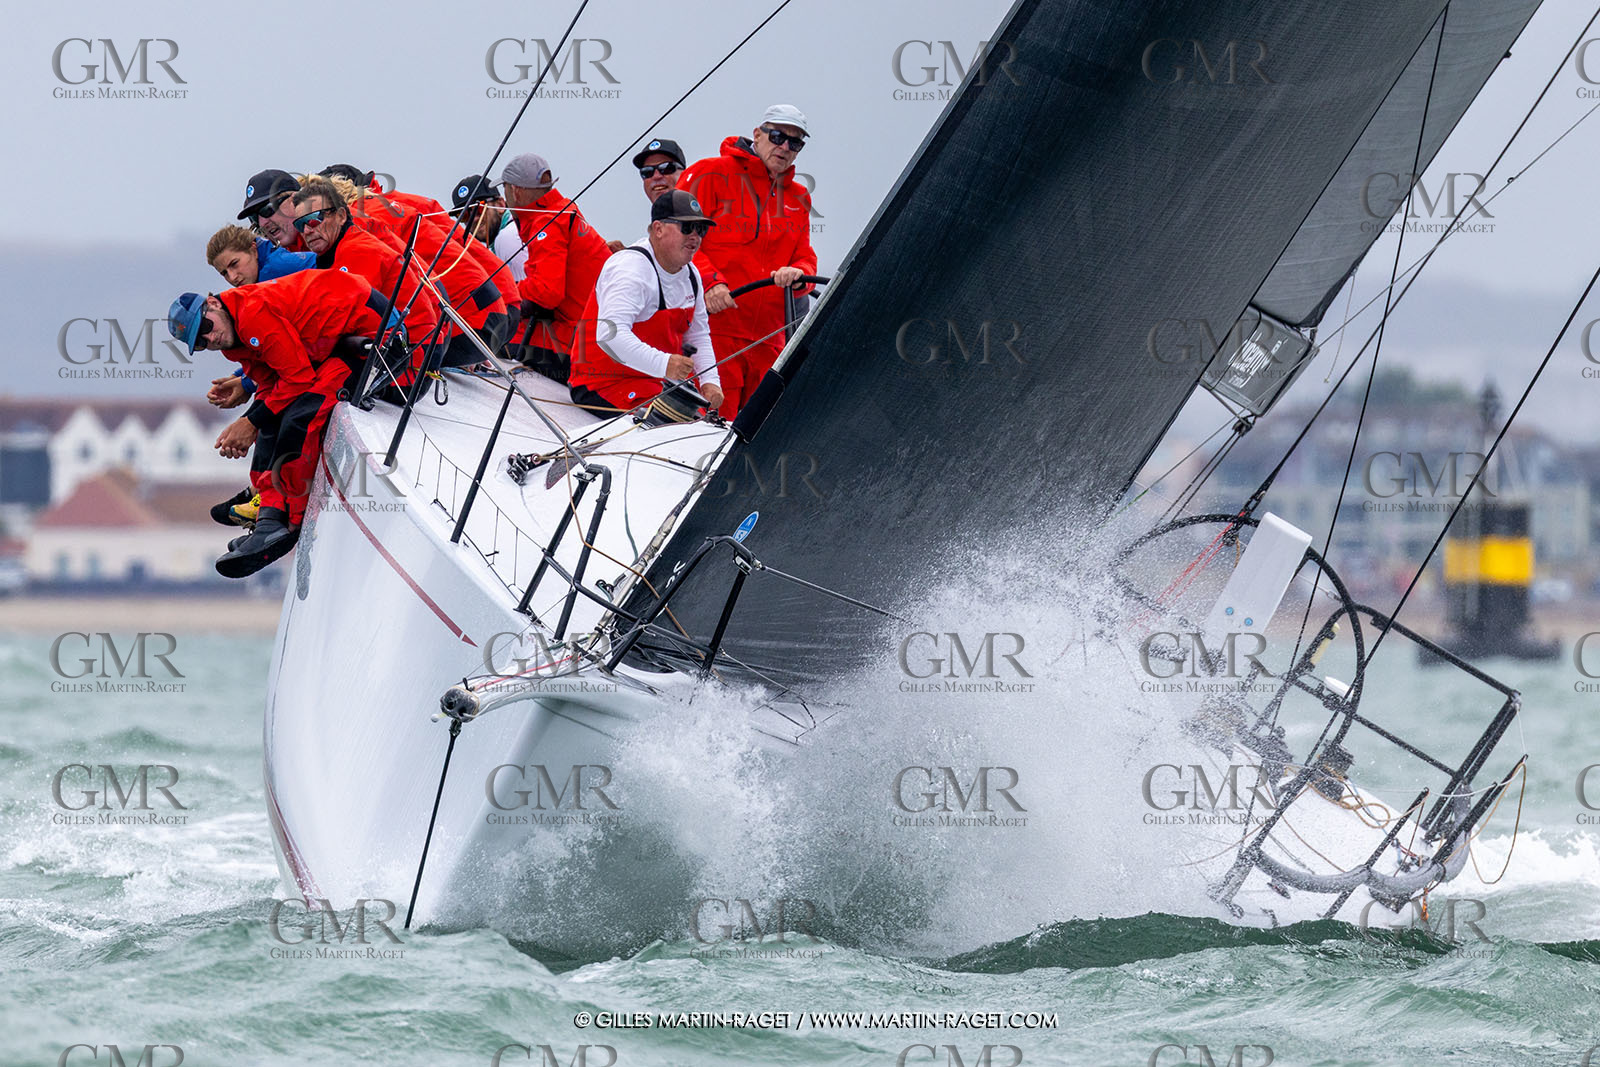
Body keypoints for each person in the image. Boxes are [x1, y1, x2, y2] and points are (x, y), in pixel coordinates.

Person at [166, 274, 373, 577]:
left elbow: (298, 379)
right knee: (271, 422)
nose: (209, 339)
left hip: (370, 338)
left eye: (206, 328)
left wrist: (249, 422)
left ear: (212, 303)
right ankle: (269, 516)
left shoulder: (251, 313)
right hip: (334, 348)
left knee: (299, 420)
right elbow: (269, 386)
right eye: (200, 342)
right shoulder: (232, 339)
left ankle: (290, 523)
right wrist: (252, 422)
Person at [678, 104, 818, 418]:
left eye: (794, 143)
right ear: (758, 135)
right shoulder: (710, 172)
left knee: (754, 437)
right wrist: (711, 282)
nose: (784, 147)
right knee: (702, 431)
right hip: (713, 333)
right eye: (778, 136)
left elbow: (805, 258)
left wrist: (800, 273)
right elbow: (678, 236)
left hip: (769, 342)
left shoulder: (799, 198)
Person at [301, 175, 509, 368]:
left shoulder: (361, 220)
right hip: (492, 307)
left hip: (473, 320)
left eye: (311, 216)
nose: (306, 226)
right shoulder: (382, 205)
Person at [567, 190, 723, 415]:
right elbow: (610, 337)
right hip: (603, 384)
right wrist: (665, 364)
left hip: (654, 383)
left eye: (701, 229)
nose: (695, 237)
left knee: (703, 427)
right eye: (687, 228)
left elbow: (697, 334)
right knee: (679, 427)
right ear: (658, 229)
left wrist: (710, 381)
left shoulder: (692, 275)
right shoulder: (630, 269)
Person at [285, 179, 442, 388]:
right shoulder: (332, 252)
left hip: (408, 369)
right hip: (396, 356)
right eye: (299, 225)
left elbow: (339, 323)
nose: (307, 230)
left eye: (314, 219)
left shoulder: (357, 250)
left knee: (308, 380)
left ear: (341, 216)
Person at [501, 152, 611, 381]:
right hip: (600, 337)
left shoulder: (547, 223)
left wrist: (505, 294)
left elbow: (547, 292)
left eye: (505, 191)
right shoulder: (563, 211)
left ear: (515, 191)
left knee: (494, 333)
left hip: (581, 344)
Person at [607, 139, 688, 252]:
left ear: (685, 173)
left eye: (666, 168)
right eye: (647, 172)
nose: (656, 176)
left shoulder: (709, 214)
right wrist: (627, 257)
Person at [450, 174, 526, 283]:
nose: (474, 219)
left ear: (500, 205)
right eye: (464, 215)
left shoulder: (507, 238)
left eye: (479, 209)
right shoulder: (517, 228)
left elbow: (531, 297)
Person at [206, 224, 315, 287]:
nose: (232, 277)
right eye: (224, 273)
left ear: (253, 250)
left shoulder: (273, 272)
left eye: (234, 264)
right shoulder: (274, 262)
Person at [236, 168, 308, 251]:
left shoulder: (324, 236)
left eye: (267, 209)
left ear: (296, 200)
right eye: (255, 217)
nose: (262, 223)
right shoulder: (275, 258)